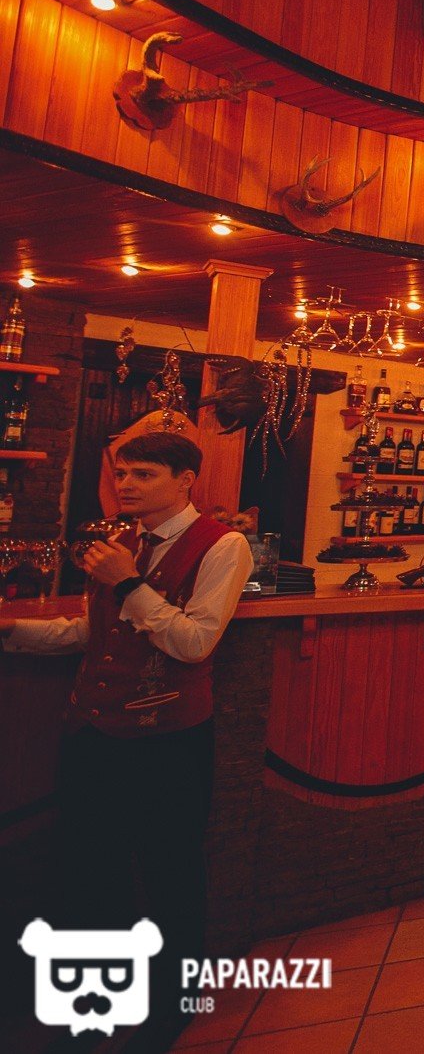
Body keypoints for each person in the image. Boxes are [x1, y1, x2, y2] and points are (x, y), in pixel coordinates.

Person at [1, 431, 252, 1050]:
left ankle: (172, 1008)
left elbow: (195, 642)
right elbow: (93, 632)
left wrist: (127, 583)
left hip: (167, 739)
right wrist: (11, 632)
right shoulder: (124, 544)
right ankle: (98, 1005)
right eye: (122, 474)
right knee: (93, 872)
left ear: (185, 480)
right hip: (92, 732)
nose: (126, 485)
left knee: (171, 873)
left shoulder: (223, 545)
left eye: (143, 474)